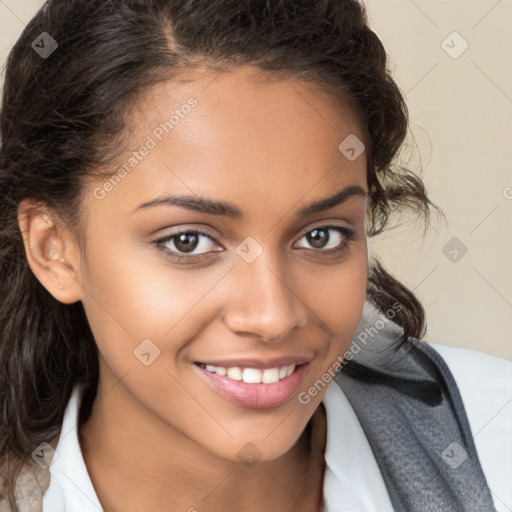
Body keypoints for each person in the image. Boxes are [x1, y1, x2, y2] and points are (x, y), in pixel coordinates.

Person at [0, 0, 510, 511]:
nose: (273, 316)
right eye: (188, 241)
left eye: (320, 236)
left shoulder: (494, 440)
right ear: (54, 250)